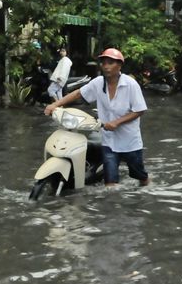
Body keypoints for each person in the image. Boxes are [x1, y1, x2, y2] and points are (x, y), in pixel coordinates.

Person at [44, 48, 149, 187]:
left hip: (130, 141)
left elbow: (139, 110)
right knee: (110, 183)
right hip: (109, 142)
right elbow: (78, 94)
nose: (106, 66)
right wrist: (55, 104)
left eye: (110, 63)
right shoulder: (98, 82)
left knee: (139, 175)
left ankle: (146, 184)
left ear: (119, 65)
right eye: (103, 63)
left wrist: (117, 122)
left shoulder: (130, 84)